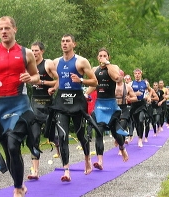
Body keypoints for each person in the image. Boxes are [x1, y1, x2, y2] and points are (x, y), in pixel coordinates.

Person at [0, 16, 40, 197]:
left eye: (7, 28)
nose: (3, 32)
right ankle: (19, 184)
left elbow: (36, 77)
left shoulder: (26, 53)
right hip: (0, 107)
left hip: (19, 104)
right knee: (8, 150)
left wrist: (30, 78)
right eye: (0, 29)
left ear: (14, 30)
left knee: (13, 146)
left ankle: (17, 189)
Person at [47, 34, 98, 182]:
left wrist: (81, 80)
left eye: (68, 41)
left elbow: (94, 82)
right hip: (62, 102)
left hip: (77, 102)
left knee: (81, 135)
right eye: (62, 41)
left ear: (74, 44)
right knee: (62, 136)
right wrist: (54, 88)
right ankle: (66, 170)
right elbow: (59, 78)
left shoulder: (81, 61)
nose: (64, 43)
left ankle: (87, 158)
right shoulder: (56, 62)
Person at [85, 47, 129, 170]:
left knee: (115, 131)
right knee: (98, 131)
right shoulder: (95, 69)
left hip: (111, 105)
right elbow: (94, 85)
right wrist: (85, 94)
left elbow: (117, 78)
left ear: (108, 57)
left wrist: (108, 65)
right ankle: (100, 161)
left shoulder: (113, 67)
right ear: (97, 58)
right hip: (99, 105)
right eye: (100, 56)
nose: (102, 57)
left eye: (105, 55)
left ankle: (122, 148)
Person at [28, 41, 59, 180]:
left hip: (48, 104)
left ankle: (58, 146)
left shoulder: (48, 64)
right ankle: (35, 171)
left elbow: (59, 80)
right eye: (32, 50)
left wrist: (47, 84)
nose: (34, 53)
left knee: (53, 136)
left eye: (36, 51)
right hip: (35, 104)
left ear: (42, 51)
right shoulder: (29, 65)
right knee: (34, 137)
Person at [130, 68, 152, 147]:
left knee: (140, 120)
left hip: (142, 104)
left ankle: (140, 139)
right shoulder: (131, 83)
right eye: (136, 74)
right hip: (134, 104)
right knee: (136, 123)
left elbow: (150, 90)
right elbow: (127, 94)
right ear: (134, 74)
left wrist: (149, 97)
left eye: (138, 73)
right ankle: (139, 134)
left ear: (141, 74)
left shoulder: (145, 83)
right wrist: (135, 93)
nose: (137, 75)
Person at [115, 70, 138, 145]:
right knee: (116, 128)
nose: (117, 77)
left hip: (124, 108)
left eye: (119, 76)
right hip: (114, 108)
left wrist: (130, 99)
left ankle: (121, 147)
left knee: (122, 127)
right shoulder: (112, 86)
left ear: (122, 76)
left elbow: (135, 98)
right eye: (116, 75)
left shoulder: (127, 87)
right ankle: (117, 138)